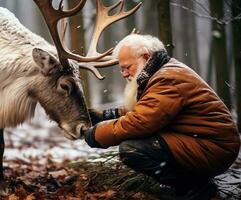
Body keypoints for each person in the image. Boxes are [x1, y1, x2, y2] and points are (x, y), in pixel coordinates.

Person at [82, 34, 240, 200]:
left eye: (127, 67)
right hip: (205, 143)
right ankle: (191, 184)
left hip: (215, 149)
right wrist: (106, 115)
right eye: (122, 69)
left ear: (145, 57)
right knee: (140, 144)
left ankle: (196, 188)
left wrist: (95, 135)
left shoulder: (167, 78)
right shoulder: (162, 71)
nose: (124, 73)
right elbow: (147, 109)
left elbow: (140, 122)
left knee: (133, 149)